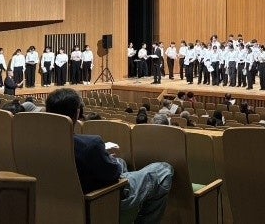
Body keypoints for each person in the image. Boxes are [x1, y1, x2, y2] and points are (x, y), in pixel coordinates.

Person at [46, 88, 173, 222]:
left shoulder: (38, 143)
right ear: (77, 113)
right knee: (164, 169)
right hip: (102, 198)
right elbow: (114, 174)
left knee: (120, 161)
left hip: (61, 201)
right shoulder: (90, 144)